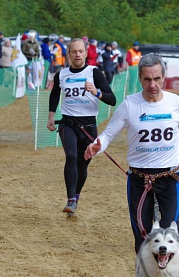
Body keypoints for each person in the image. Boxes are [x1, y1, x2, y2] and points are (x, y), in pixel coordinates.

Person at [84, 53, 179, 253]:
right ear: (140, 78)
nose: (152, 84)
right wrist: (97, 146)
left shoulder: (176, 103)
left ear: (164, 77)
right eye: (147, 79)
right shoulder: (130, 105)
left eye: (157, 79)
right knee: (143, 237)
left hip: (170, 177)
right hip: (139, 178)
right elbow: (108, 135)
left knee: (172, 233)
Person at [46, 38, 116, 216]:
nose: (77, 54)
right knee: (71, 155)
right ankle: (70, 199)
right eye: (74, 51)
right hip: (68, 123)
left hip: (89, 127)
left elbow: (112, 99)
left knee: (82, 166)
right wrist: (51, 117)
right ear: (68, 54)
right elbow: (54, 95)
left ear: (86, 53)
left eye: (80, 51)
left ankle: (75, 197)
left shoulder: (95, 73)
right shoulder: (61, 75)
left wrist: (97, 92)